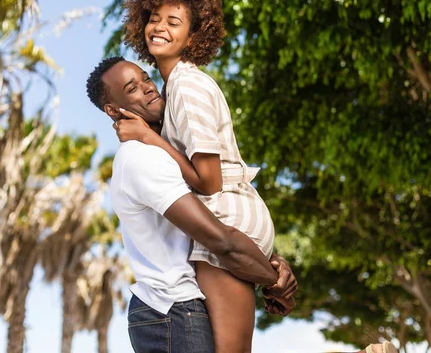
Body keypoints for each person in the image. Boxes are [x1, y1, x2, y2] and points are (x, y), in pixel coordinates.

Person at [86, 57, 298, 353]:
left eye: (146, 79)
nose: (148, 89)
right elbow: (220, 241)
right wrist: (276, 282)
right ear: (113, 109)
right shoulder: (141, 158)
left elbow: (214, 217)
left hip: (182, 307)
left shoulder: (167, 150)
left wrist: (270, 259)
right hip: (172, 310)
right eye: (132, 88)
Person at [117, 0, 280, 352]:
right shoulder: (174, 89)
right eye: (154, 18)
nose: (159, 27)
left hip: (227, 217)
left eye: (174, 21)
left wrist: (148, 140)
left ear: (193, 36)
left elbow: (208, 181)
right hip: (229, 216)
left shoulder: (188, 85)